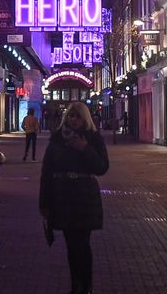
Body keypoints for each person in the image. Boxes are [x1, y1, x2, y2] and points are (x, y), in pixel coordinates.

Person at [40, 101, 110, 294]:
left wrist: (84, 148)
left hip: (85, 198)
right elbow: (46, 172)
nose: (74, 119)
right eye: (71, 115)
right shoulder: (57, 140)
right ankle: (76, 285)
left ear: (85, 118)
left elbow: (102, 167)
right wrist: (44, 203)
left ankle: (85, 286)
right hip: (63, 197)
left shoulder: (93, 139)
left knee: (83, 244)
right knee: (72, 245)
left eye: (78, 116)